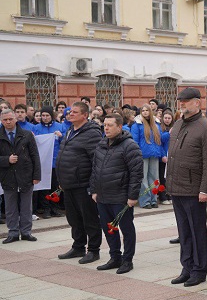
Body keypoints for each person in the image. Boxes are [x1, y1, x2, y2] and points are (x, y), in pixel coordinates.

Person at [166, 87, 207, 287]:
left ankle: (199, 269)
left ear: (197, 102)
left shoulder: (206, 127)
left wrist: (205, 189)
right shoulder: (179, 124)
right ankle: (187, 267)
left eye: (187, 101)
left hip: (194, 189)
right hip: (177, 187)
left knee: (196, 232)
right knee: (184, 232)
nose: (182, 104)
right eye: (181, 101)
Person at [91, 113, 143, 274]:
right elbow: (95, 169)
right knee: (108, 229)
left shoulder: (130, 146)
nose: (106, 128)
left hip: (121, 197)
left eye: (110, 125)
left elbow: (136, 173)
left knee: (126, 229)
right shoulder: (101, 144)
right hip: (102, 196)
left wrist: (132, 196)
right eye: (104, 125)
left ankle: (127, 260)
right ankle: (115, 257)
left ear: (119, 127)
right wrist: (94, 190)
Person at [56, 102, 104, 264]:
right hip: (69, 183)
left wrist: (93, 186)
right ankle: (78, 247)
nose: (70, 114)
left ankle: (94, 250)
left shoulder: (92, 134)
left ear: (85, 115)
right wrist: (62, 180)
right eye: (70, 112)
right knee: (74, 219)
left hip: (83, 185)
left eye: (75, 112)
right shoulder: (70, 130)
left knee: (89, 219)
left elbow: (97, 161)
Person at [0, 109, 41, 244]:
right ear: (1, 121)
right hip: (7, 176)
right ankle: (13, 232)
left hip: (26, 175)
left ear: (15, 119)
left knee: (26, 206)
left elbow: (35, 156)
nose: (8, 122)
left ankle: (26, 232)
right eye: (5, 120)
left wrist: (36, 175)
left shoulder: (27, 135)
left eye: (10, 119)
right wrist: (6, 160)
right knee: (10, 207)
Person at [131, 104, 168, 209]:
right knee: (143, 179)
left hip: (154, 154)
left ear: (150, 112)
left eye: (147, 110)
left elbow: (159, 140)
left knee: (154, 178)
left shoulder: (156, 124)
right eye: (143, 110)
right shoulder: (137, 125)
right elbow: (135, 141)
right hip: (142, 155)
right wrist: (136, 154)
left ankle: (153, 199)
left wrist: (162, 154)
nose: (145, 112)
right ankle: (145, 201)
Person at [33, 106, 65, 218]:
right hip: (42, 162)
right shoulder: (36, 128)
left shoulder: (59, 127)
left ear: (52, 116)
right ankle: (46, 208)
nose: (45, 118)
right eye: (43, 115)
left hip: (55, 161)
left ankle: (55, 208)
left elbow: (66, 142)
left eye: (47, 115)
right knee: (44, 187)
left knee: (55, 186)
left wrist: (61, 137)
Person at [158, 107, 174, 205]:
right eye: (165, 118)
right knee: (162, 178)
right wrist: (163, 155)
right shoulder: (160, 128)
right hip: (163, 157)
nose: (167, 120)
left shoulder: (174, 127)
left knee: (169, 178)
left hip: (171, 156)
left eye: (169, 118)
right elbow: (159, 141)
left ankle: (169, 195)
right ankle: (163, 196)